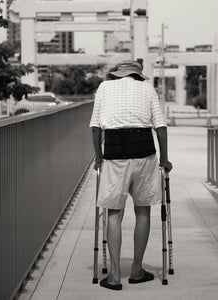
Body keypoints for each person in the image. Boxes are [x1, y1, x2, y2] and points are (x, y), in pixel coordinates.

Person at [90, 60, 172, 290]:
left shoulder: (104, 88)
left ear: (116, 74)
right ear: (138, 75)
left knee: (114, 212)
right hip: (144, 150)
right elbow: (161, 128)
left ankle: (115, 276)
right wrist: (164, 160)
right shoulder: (147, 88)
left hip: (115, 152)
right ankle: (136, 270)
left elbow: (96, 128)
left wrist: (98, 158)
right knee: (142, 209)